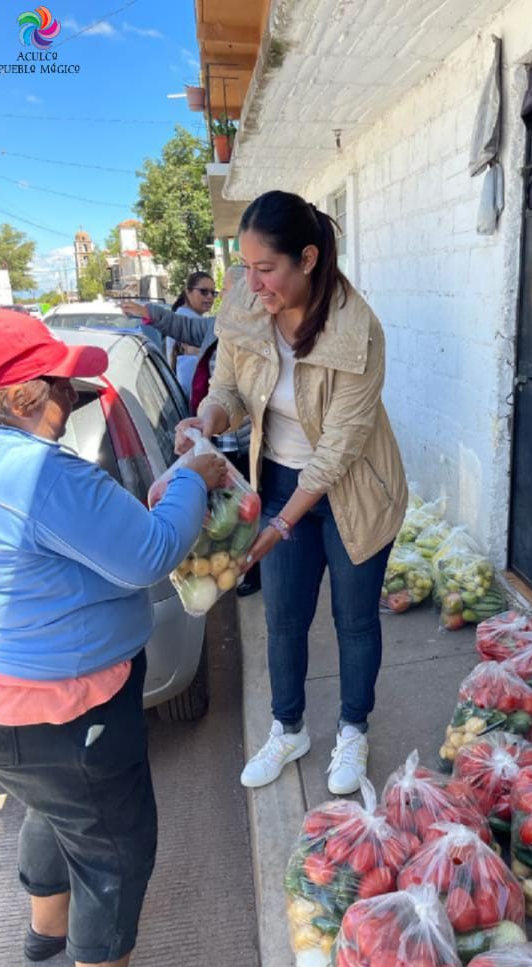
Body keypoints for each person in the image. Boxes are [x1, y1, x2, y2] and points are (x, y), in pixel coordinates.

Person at [0, 310, 227, 967]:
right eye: (65, 386)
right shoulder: (39, 475)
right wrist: (193, 477)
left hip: (7, 712)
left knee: (50, 810)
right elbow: (151, 553)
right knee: (112, 854)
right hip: (72, 710)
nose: (77, 398)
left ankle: (45, 930)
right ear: (22, 397)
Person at [175, 190, 408, 796]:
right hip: (278, 477)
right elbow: (227, 389)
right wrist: (206, 422)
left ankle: (353, 730)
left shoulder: (358, 331)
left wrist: (278, 526)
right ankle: (289, 728)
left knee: (353, 619)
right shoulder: (246, 307)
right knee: (283, 617)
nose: (253, 284)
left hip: (354, 489)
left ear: (307, 258)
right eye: (245, 267)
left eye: (266, 269)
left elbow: (336, 452)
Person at [120, 266, 261, 598]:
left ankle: (252, 569)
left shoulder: (258, 333)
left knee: (246, 508)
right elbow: (185, 326)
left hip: (241, 438)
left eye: (225, 291)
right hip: (214, 432)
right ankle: (233, 562)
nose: (219, 298)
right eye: (216, 292)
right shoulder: (217, 326)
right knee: (226, 512)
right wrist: (151, 314)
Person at [166, 271, 217, 397]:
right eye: (203, 291)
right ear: (188, 292)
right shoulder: (187, 322)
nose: (210, 297)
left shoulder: (187, 318)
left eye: (213, 293)